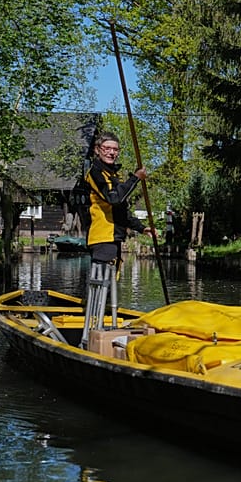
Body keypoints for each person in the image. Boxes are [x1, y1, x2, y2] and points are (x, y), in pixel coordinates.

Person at [81, 132, 156, 345]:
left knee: (110, 284)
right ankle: (91, 338)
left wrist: (142, 228)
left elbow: (121, 211)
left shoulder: (113, 176)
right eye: (108, 148)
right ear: (98, 149)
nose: (112, 152)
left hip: (113, 238)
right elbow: (114, 198)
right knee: (101, 285)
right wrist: (135, 178)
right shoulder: (96, 173)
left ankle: (107, 331)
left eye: (115, 149)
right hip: (102, 237)